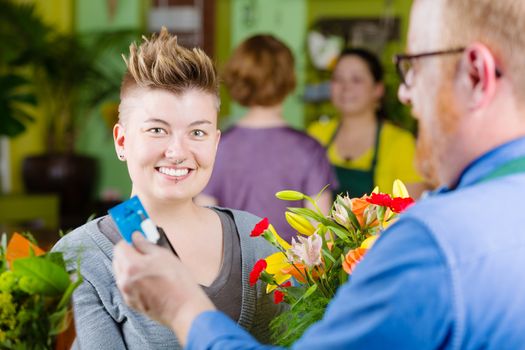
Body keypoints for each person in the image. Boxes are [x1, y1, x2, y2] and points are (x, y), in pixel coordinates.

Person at [113, 0, 525, 348]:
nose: (405, 92)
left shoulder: (433, 246)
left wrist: (182, 305)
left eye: (413, 66)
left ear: (476, 75)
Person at [52, 28, 283, 349]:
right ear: (122, 141)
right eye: (157, 130)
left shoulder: (256, 238)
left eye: (197, 133)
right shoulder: (81, 257)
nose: (177, 151)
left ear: (216, 143)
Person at [195, 34, 336, 242]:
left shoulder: (218, 146)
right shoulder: (309, 149)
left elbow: (204, 225)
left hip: (235, 271)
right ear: (289, 80)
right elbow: (323, 236)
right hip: (293, 273)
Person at [308, 48, 427, 198]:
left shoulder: (401, 144)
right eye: (338, 79)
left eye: (356, 80)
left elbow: (411, 212)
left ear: (378, 89)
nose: (345, 87)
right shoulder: (316, 134)